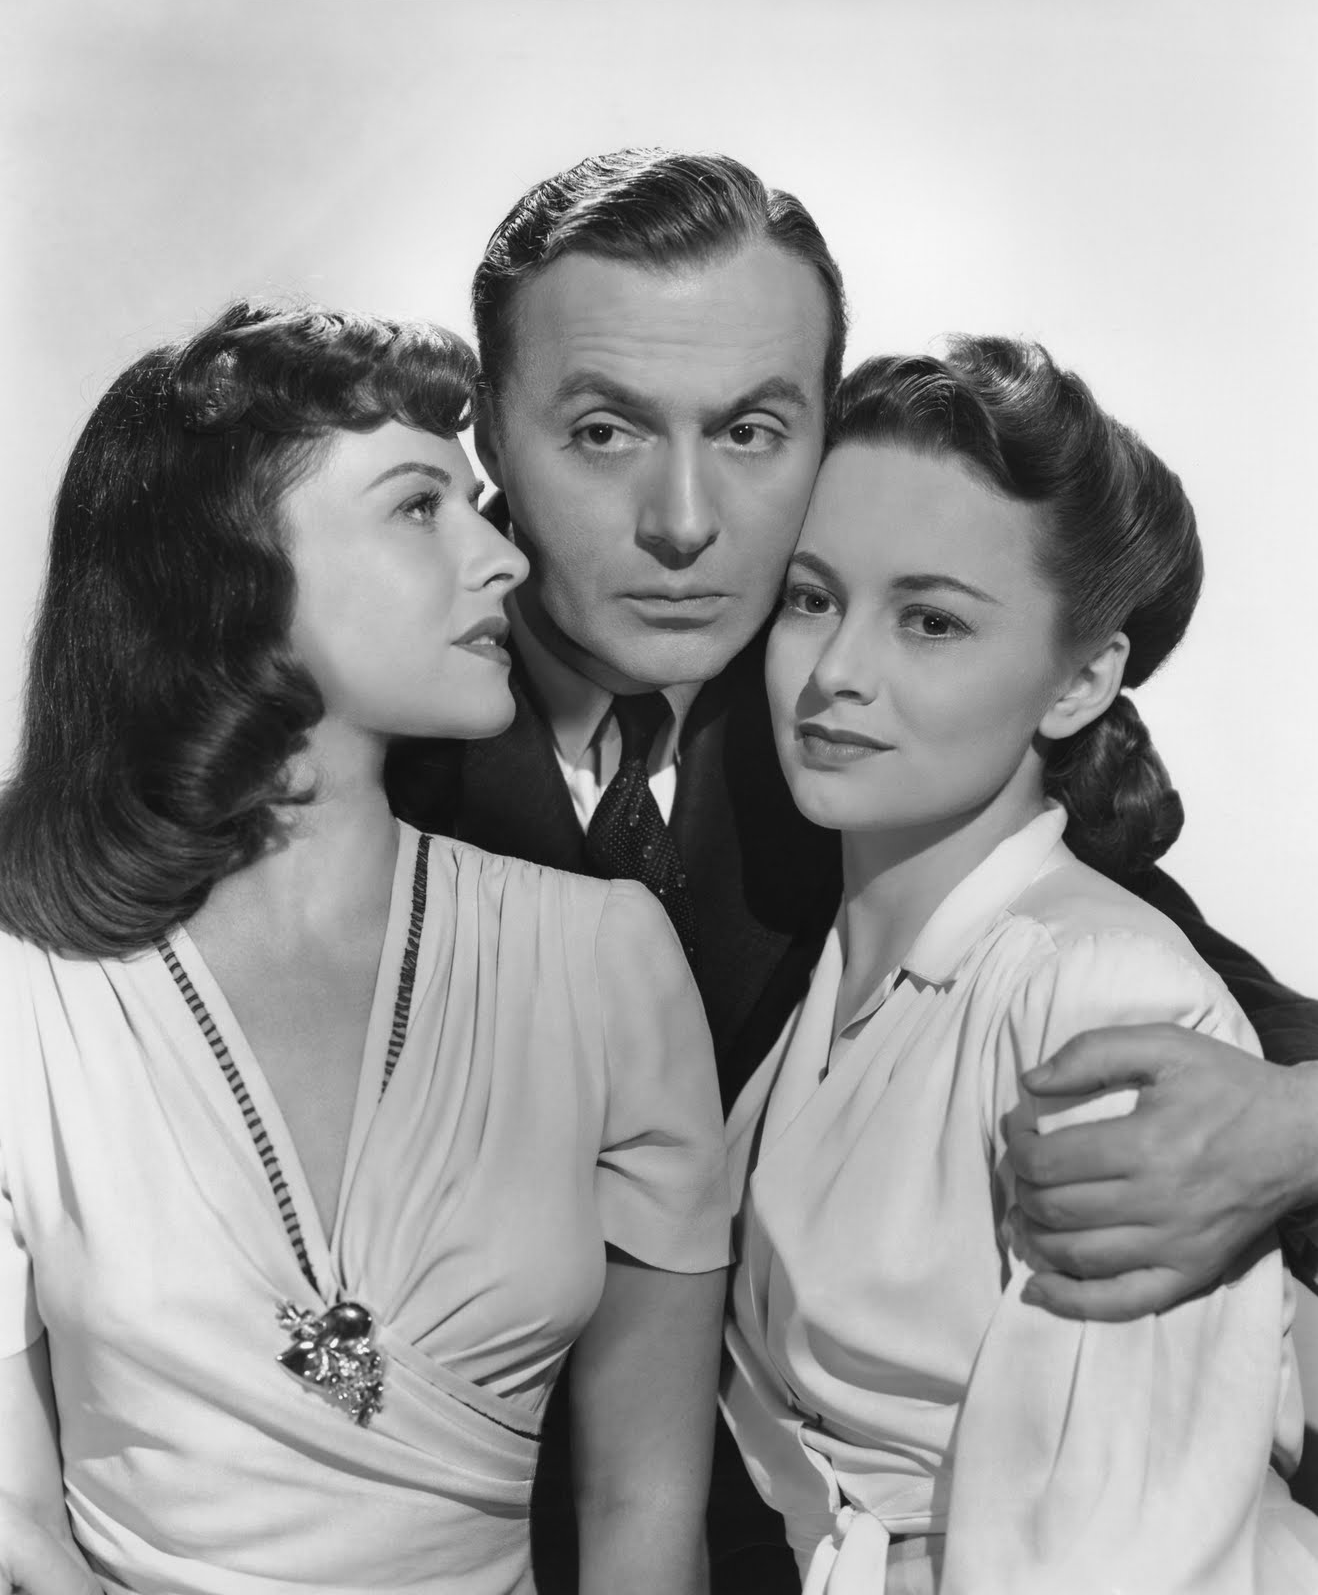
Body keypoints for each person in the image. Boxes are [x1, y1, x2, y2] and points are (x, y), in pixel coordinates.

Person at [384, 147, 1318, 1589]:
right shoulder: (343, 727)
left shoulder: (876, 738)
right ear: (488, 437)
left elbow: (1188, 1013)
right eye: (604, 432)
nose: (683, 520)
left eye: (752, 432)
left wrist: (1301, 1124)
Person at [0, 301, 730, 1595]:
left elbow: (643, 1501)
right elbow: (17, 1530)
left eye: (473, 504)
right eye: (418, 507)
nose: (498, 559)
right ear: (231, 576)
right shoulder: (30, 985)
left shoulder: (603, 960)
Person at [722, 336, 1318, 1592]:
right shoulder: (819, 969)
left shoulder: (1097, 999)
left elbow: (1127, 1547)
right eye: (812, 598)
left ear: (1080, 679)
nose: (835, 674)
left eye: (930, 621)